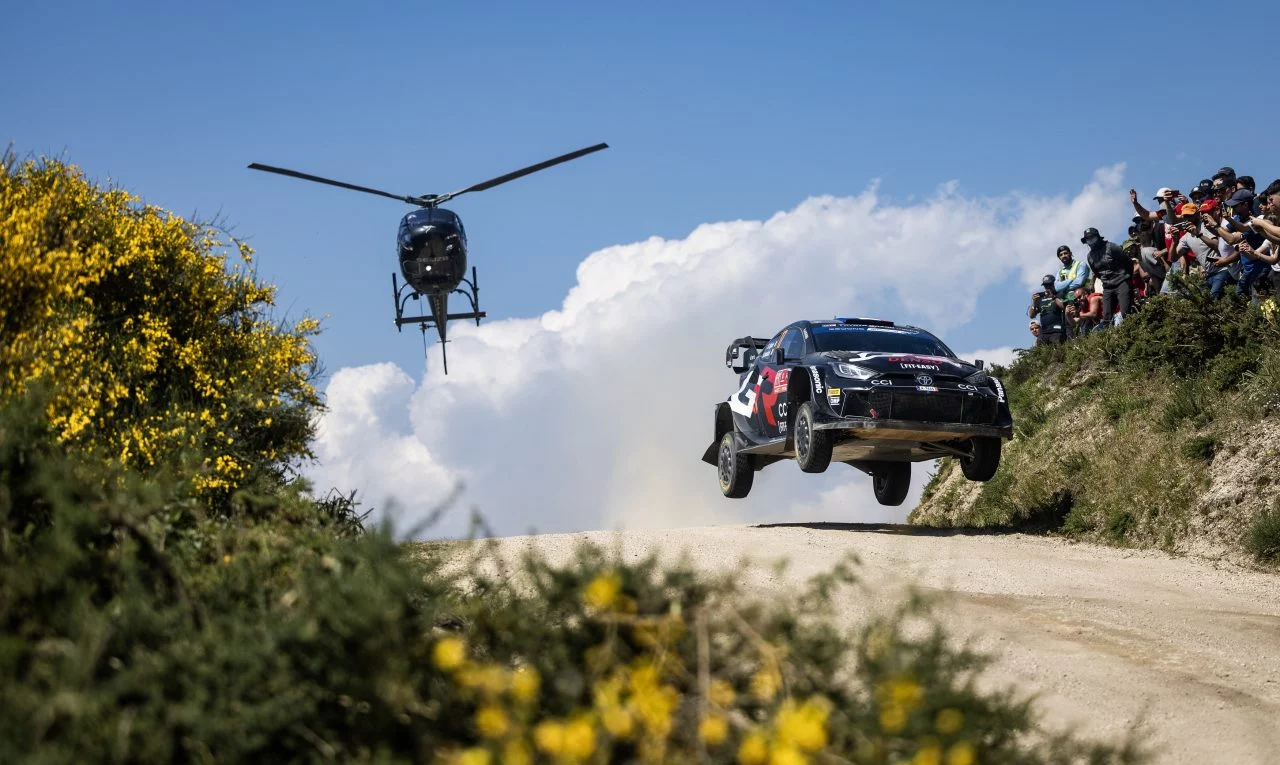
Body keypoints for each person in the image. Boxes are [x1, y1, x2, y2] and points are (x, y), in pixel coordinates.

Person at [1082, 227, 1134, 325]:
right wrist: (1106, 282)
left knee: (1125, 314)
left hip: (1122, 282)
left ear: (1097, 237)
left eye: (1092, 238)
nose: (1090, 241)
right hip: (1107, 287)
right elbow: (1097, 273)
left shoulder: (1111, 247)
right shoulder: (1090, 256)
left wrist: (1127, 279)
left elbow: (1128, 262)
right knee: (1106, 318)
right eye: (1088, 239)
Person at [1028, 275, 1067, 345]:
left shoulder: (1059, 294)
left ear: (1053, 284)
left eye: (1049, 285)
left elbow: (1064, 307)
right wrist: (1034, 302)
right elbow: (1031, 315)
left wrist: (1053, 297)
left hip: (1057, 330)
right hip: (1044, 331)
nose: (1047, 287)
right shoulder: (1040, 298)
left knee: (1058, 347)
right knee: (1039, 350)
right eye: (1045, 286)